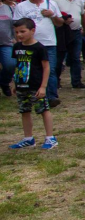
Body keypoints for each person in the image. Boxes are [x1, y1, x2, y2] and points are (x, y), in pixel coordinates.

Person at [8, 18, 57, 150]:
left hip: (36, 87)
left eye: (22, 31)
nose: (19, 35)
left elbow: (46, 67)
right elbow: (17, 66)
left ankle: (50, 138)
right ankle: (28, 138)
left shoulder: (39, 48)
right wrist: (14, 82)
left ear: (32, 31)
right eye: (16, 32)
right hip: (21, 86)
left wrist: (43, 86)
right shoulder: (17, 47)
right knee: (24, 111)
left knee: (43, 110)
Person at [13, 0, 62, 107]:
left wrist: (52, 15)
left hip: (48, 42)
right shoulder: (21, 6)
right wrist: (19, 41)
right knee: (31, 70)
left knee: (50, 69)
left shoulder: (51, 4)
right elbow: (17, 26)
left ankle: (51, 97)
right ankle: (30, 94)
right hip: (29, 44)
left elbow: (60, 23)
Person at [53, 0, 85, 90]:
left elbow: (82, 15)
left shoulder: (79, 0)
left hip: (76, 31)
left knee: (76, 57)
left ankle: (76, 82)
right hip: (62, 33)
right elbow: (53, 17)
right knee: (59, 58)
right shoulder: (56, 1)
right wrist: (63, 21)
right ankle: (56, 80)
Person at [0, 0, 15, 96]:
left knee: (10, 64)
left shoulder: (9, 8)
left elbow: (15, 24)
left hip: (7, 42)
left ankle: (4, 82)